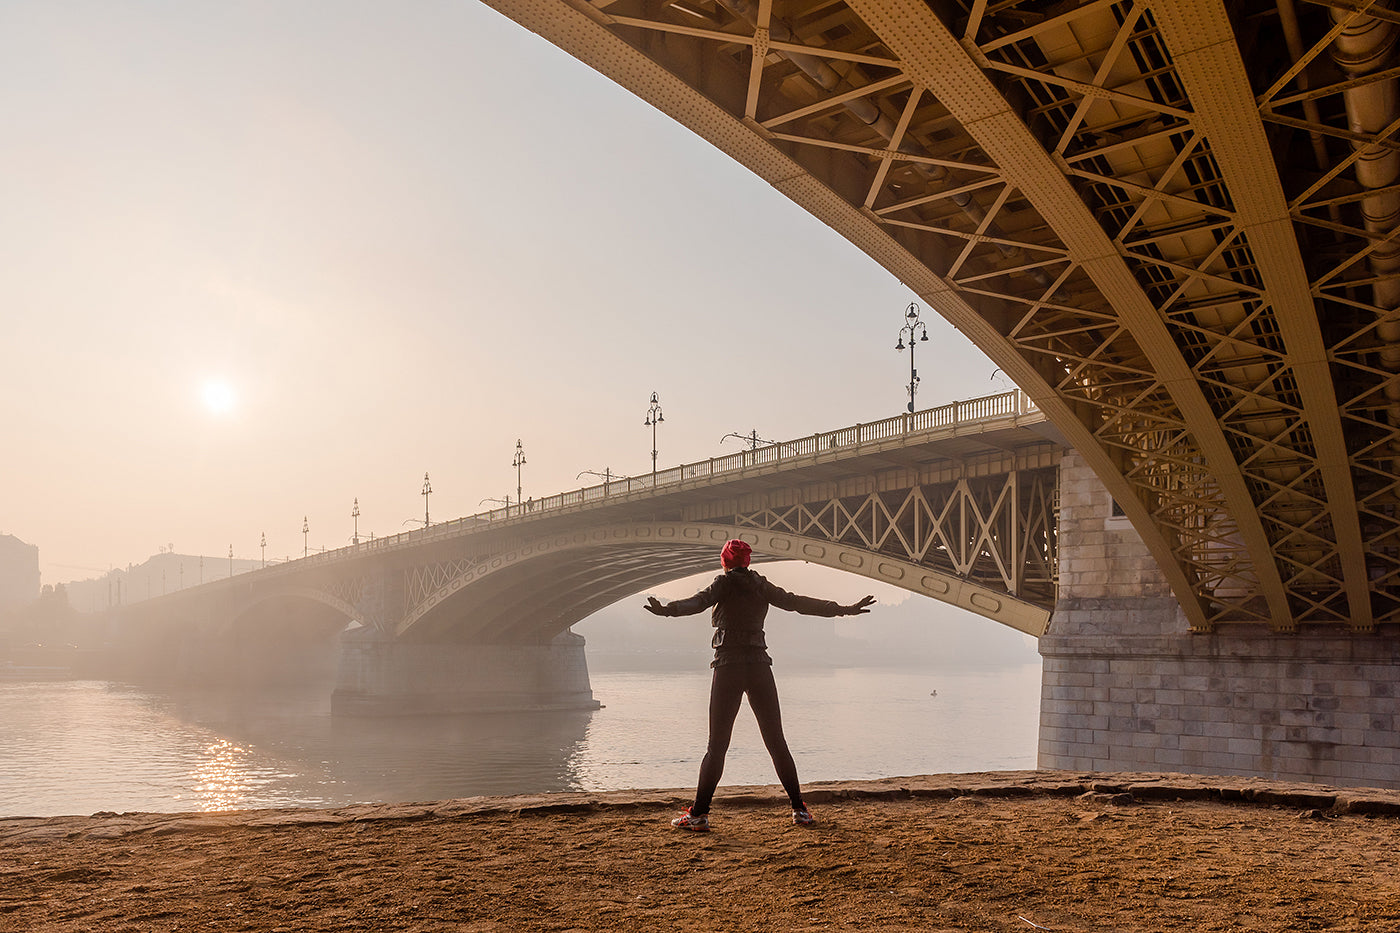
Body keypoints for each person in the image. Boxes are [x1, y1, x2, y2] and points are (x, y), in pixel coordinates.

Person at [644, 538, 875, 832]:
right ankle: (799, 809)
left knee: (716, 748)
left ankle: (699, 815)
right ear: (747, 562)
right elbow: (798, 603)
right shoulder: (761, 585)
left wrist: (668, 610)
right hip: (759, 665)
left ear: (724, 561)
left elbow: (697, 602)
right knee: (777, 742)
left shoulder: (722, 584)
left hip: (728, 667)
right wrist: (844, 609)